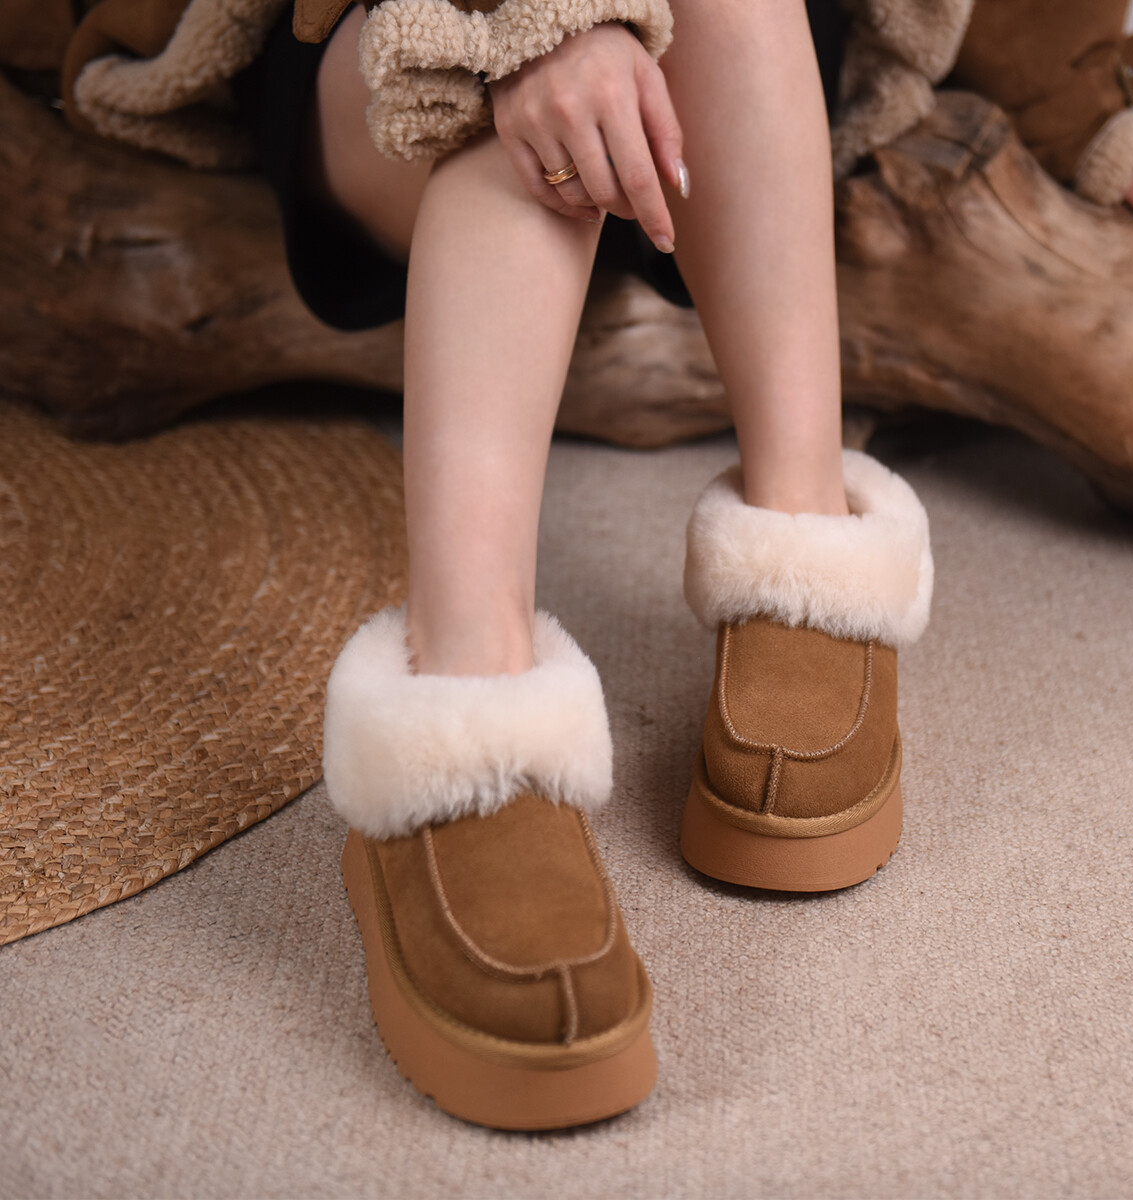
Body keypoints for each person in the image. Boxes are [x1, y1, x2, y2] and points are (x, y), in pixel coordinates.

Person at [307, 0, 934, 1130]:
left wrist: (1089, 121)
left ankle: (801, 530)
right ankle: (468, 688)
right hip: (399, 60)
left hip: (706, 89)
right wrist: (539, 23)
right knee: (514, 76)